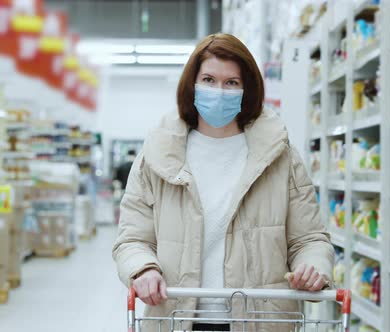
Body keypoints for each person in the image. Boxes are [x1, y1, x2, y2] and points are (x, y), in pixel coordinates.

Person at [113, 33, 334, 332]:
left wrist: (313, 267)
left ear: (247, 90)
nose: (219, 91)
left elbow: (309, 239)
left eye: (231, 83)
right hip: (177, 316)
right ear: (192, 85)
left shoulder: (280, 157)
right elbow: (132, 239)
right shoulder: (157, 156)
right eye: (208, 80)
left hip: (259, 320)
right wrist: (143, 268)